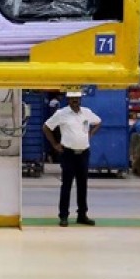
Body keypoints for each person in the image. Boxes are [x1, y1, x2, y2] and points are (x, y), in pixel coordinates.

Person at [43, 90, 101, 227]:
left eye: (77, 97)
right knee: (66, 185)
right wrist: (55, 144)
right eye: (72, 98)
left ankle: (82, 215)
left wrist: (90, 134)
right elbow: (46, 127)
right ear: (68, 99)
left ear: (80, 99)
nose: (75, 100)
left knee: (82, 185)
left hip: (84, 153)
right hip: (68, 154)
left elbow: (99, 122)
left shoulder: (87, 112)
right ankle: (63, 216)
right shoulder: (61, 113)